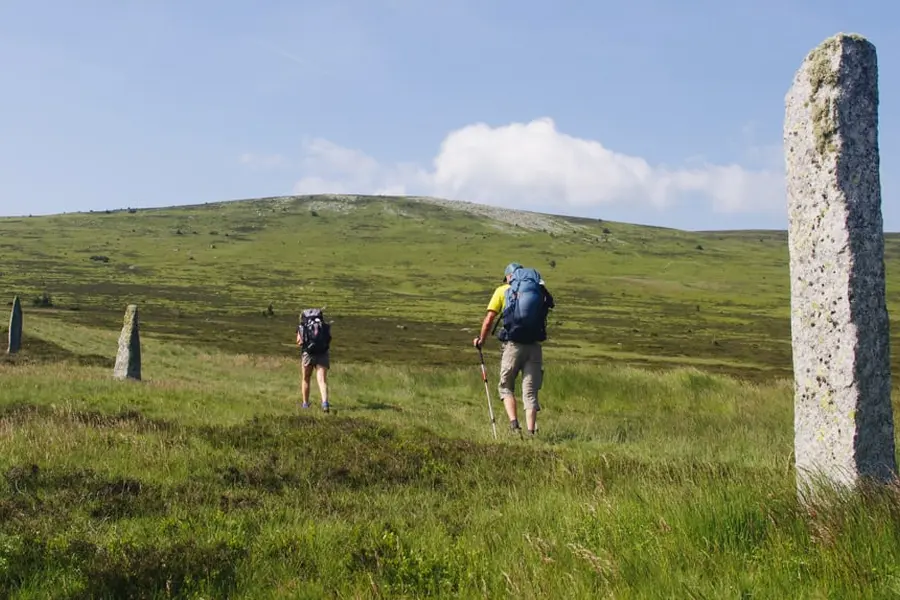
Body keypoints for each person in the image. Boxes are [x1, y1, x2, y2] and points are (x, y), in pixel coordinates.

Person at [473, 262, 554, 437]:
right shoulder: (537, 290)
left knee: (506, 386)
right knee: (530, 391)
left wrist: (481, 340)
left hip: (513, 346)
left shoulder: (503, 291)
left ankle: (515, 427)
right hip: (534, 346)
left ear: (509, 277)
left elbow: (489, 319)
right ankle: (531, 433)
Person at [296, 308, 332, 413]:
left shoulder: (302, 326)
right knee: (322, 380)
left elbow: (299, 341)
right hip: (322, 353)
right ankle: (325, 403)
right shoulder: (323, 325)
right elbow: (329, 338)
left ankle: (305, 404)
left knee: (306, 378)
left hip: (308, 354)